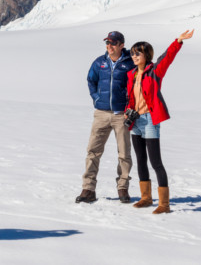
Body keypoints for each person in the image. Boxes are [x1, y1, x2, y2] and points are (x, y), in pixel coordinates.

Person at [125, 29, 194, 214]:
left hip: (150, 120)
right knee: (140, 160)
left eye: (137, 53)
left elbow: (167, 57)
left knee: (156, 162)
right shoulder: (131, 75)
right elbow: (130, 98)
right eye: (132, 53)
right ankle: (146, 198)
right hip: (136, 121)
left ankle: (164, 204)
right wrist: (127, 112)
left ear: (146, 54)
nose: (134, 56)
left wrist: (178, 41)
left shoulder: (155, 71)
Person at [77, 31, 135, 204]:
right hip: (101, 114)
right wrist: (96, 98)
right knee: (93, 151)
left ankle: (122, 188)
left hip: (121, 115)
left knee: (124, 153)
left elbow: (137, 84)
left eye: (113, 43)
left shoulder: (130, 63)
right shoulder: (99, 62)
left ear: (121, 45)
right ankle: (88, 189)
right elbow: (91, 80)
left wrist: (129, 105)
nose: (109, 46)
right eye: (107, 43)